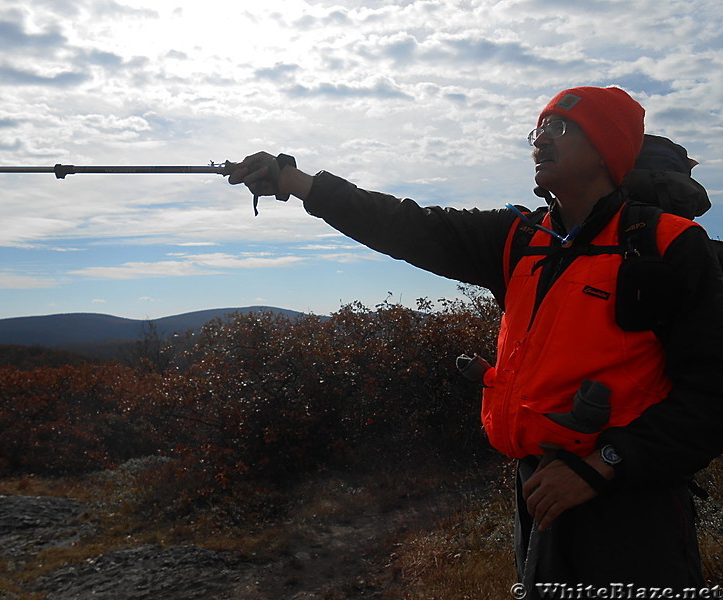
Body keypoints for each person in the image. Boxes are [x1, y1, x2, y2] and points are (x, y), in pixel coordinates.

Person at [227, 86, 723, 591]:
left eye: (559, 129)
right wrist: (294, 180)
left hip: (632, 507)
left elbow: (711, 394)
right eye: (538, 130)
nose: (540, 142)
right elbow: (402, 224)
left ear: (605, 147)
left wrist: (603, 465)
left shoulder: (667, 246)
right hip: (539, 491)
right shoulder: (519, 238)